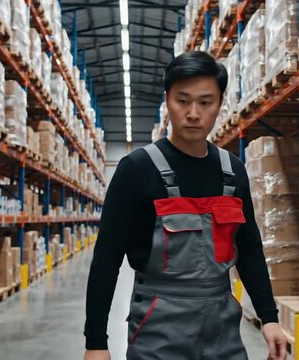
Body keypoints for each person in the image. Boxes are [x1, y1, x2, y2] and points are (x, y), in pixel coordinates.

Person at [84, 51, 287, 360]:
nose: (194, 113)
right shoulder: (136, 170)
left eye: (205, 102)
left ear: (220, 104)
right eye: (183, 100)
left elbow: (249, 249)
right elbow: (107, 258)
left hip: (222, 328)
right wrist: (96, 342)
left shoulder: (231, 171)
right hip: (158, 327)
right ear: (167, 100)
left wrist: (269, 317)